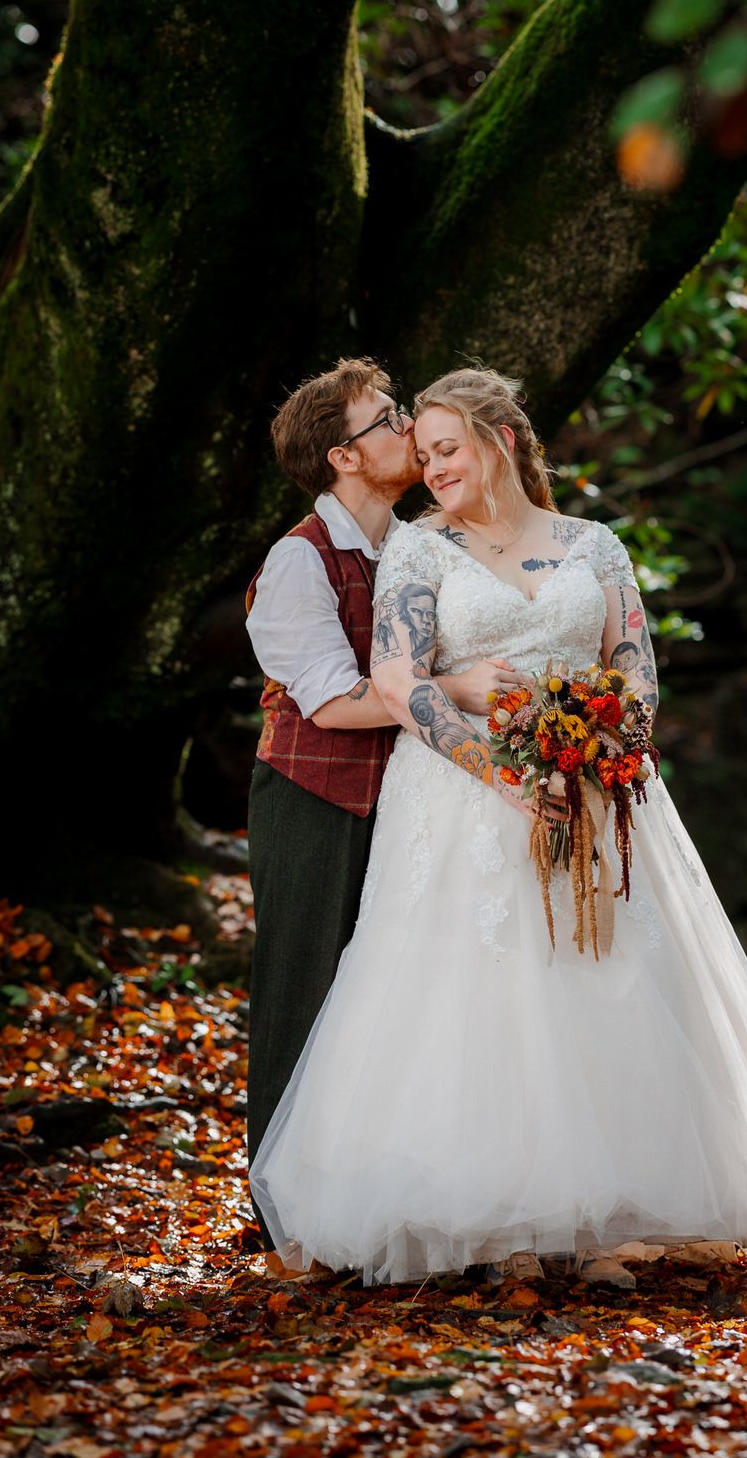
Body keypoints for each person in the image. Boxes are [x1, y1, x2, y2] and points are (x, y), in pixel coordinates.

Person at [250, 366, 747, 1289]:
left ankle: (603, 1212)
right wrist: (506, 776)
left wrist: (610, 753)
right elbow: (398, 685)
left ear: (503, 443)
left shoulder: (594, 544)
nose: (430, 462)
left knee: (602, 974)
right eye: (421, 446)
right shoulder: (416, 551)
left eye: (446, 447)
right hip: (460, 796)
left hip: (595, 786)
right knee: (473, 988)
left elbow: (632, 666)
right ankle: (482, 1216)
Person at [244, 358, 525, 1260]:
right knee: (304, 992)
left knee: (389, 1005)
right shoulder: (298, 560)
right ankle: (285, 1221)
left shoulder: (415, 543)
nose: (407, 429)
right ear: (344, 457)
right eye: (386, 420)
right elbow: (332, 704)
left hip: (414, 806)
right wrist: (457, 690)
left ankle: (378, 1202)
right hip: (313, 800)